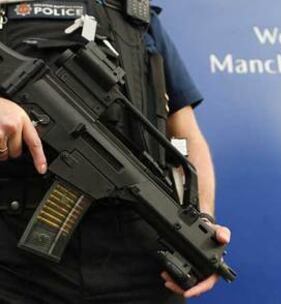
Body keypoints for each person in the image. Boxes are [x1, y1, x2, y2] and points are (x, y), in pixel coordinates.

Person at [0, 1, 231, 303]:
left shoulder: (139, 18)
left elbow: (187, 134)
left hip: (139, 261)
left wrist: (201, 228)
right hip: (18, 267)